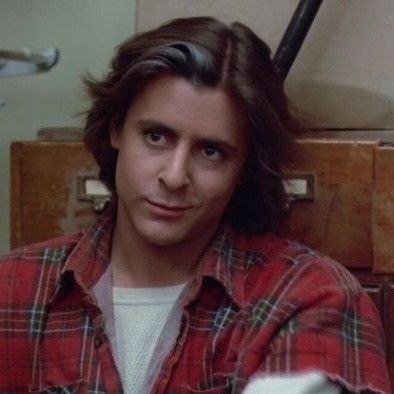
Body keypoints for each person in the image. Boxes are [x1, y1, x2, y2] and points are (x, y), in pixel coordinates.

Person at [0, 17, 390, 394]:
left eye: (210, 151)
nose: (174, 176)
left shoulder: (309, 297)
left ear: (243, 169)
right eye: (156, 136)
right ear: (116, 128)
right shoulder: (14, 289)